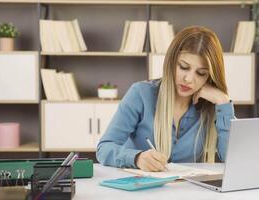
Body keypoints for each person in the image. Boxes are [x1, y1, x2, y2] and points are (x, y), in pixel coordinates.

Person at [96, 26, 235, 172]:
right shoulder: (141, 94)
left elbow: (232, 159)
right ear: (171, 62)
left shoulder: (211, 106)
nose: (188, 79)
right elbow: (104, 148)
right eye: (183, 67)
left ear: (210, 77)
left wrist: (223, 102)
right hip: (142, 189)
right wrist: (136, 158)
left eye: (201, 73)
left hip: (187, 190)